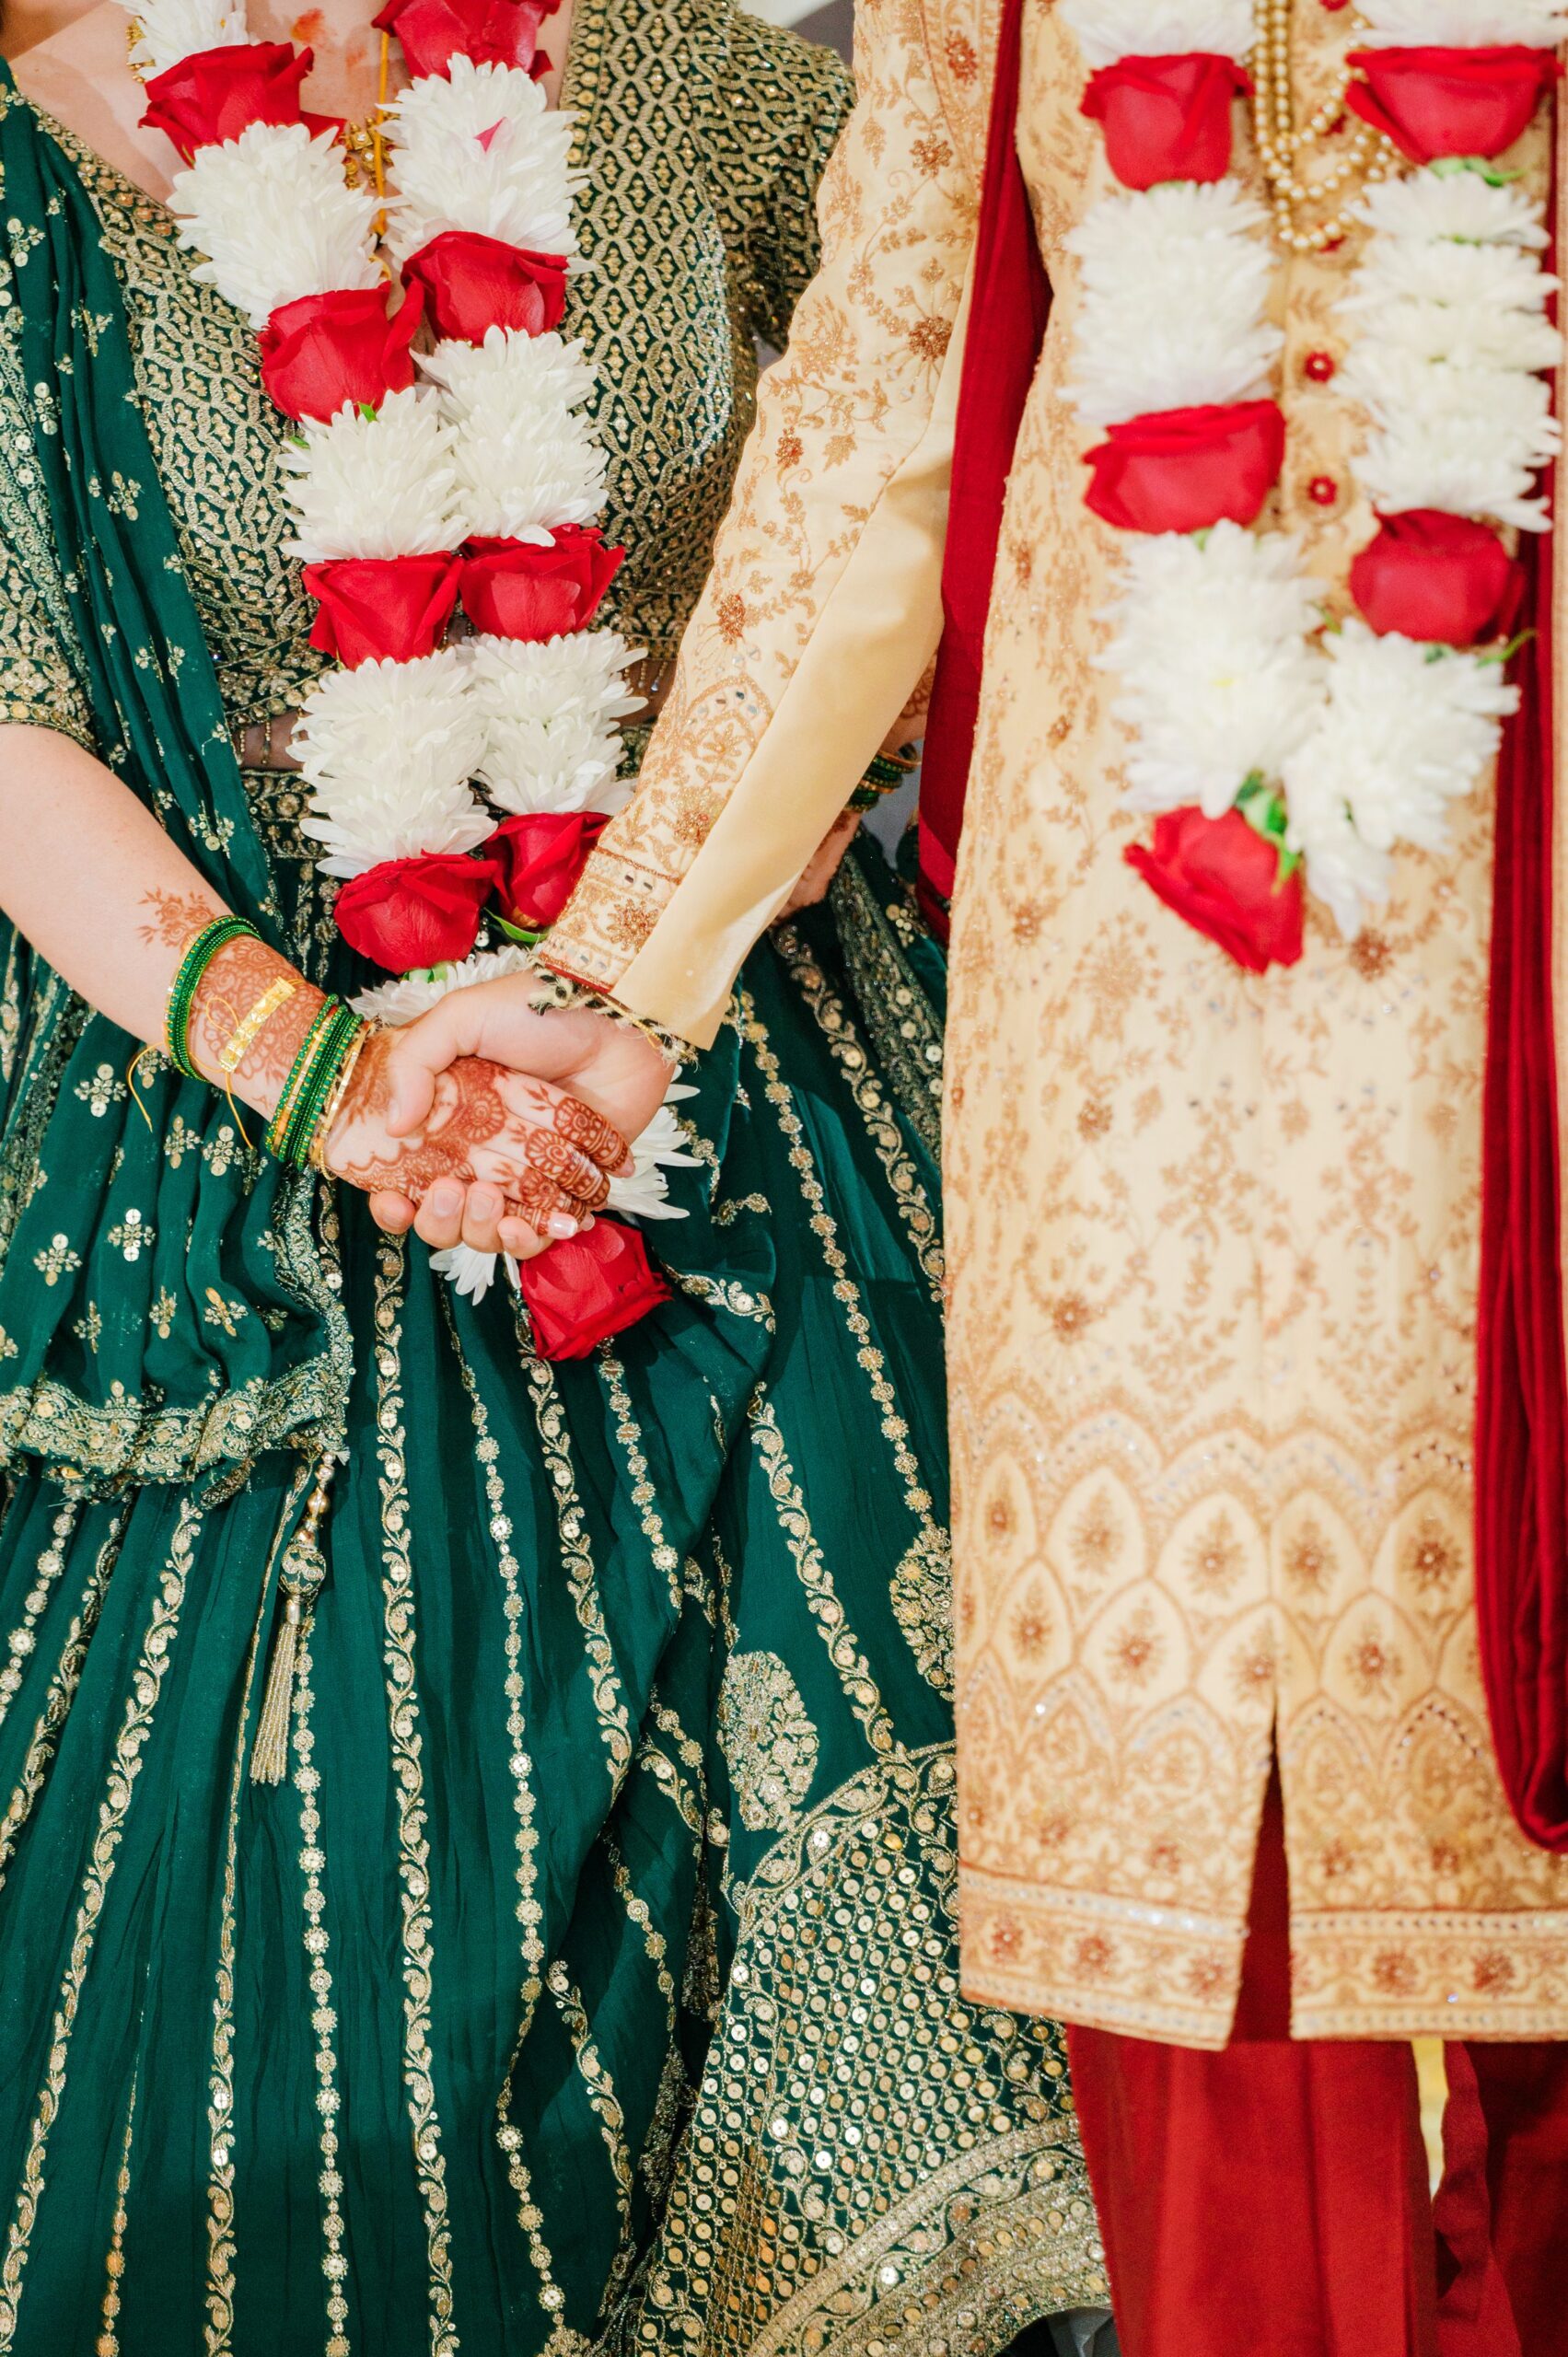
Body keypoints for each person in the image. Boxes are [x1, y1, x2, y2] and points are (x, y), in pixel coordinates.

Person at [0, 0, 1111, 2348]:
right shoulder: (28, 156)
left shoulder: (687, 66)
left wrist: (729, 857)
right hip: (246, 1127)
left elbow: (958, 454)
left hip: (755, 1040)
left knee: (977, 1852)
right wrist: (350, 1080)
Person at [533, 2, 1568, 2351]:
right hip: (1140, 1054)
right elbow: (883, 397)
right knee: (1218, 1986)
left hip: (1523, 973)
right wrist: (627, 970)